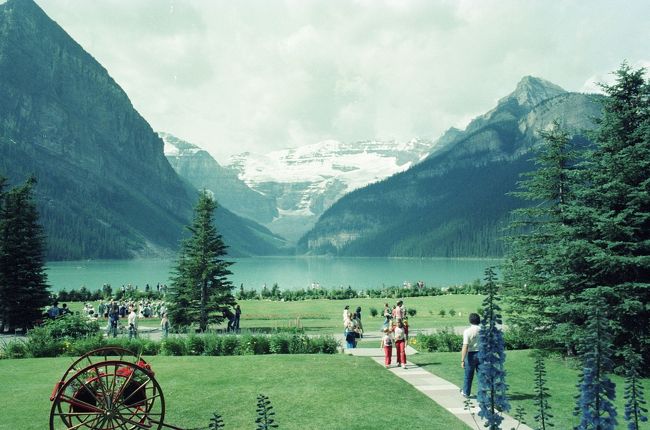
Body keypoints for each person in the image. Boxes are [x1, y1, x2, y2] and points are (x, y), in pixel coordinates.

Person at [461, 313, 481, 397]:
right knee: (481, 375)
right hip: (482, 354)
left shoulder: (467, 331)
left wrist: (462, 360)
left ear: (470, 320)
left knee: (468, 375)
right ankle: (482, 394)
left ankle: (466, 392)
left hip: (471, 355)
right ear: (479, 320)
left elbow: (465, 345)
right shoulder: (483, 330)